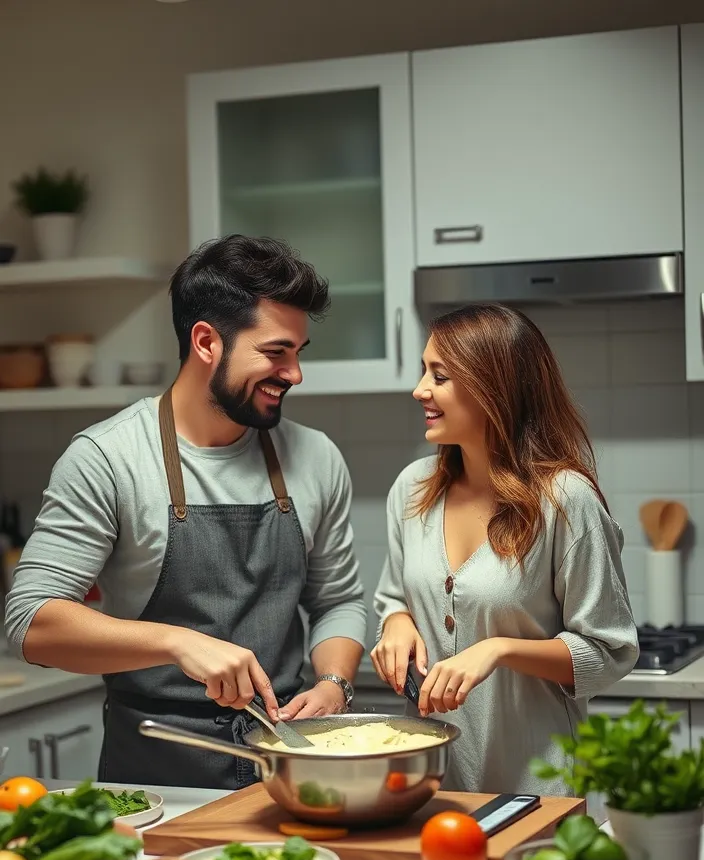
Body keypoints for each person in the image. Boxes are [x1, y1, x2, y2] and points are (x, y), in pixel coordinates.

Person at [4, 234, 366, 789]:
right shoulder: (108, 457)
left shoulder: (314, 456)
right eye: (275, 352)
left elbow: (336, 599)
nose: (294, 374)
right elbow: (30, 620)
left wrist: (334, 683)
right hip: (156, 768)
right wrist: (176, 641)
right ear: (206, 342)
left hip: (288, 761)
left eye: (298, 352)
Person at [370, 303, 638, 796]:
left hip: (538, 786)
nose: (419, 390)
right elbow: (394, 598)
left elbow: (609, 651)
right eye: (423, 371)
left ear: (493, 387)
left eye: (440, 375)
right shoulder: (411, 489)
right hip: (433, 785)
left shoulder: (565, 499)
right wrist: (396, 624)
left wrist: (498, 650)